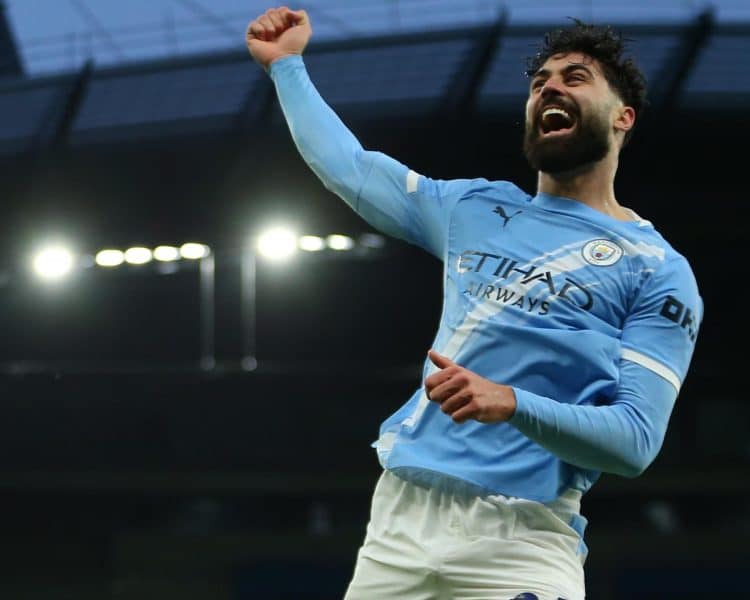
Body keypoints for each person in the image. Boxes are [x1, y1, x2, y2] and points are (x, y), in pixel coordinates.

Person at [247, 8, 702, 599]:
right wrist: (287, 67)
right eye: (540, 82)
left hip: (522, 538)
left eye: (575, 77)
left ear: (624, 117)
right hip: (400, 522)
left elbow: (635, 441)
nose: (551, 88)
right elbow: (351, 169)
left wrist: (511, 402)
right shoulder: (475, 208)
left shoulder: (658, 270)